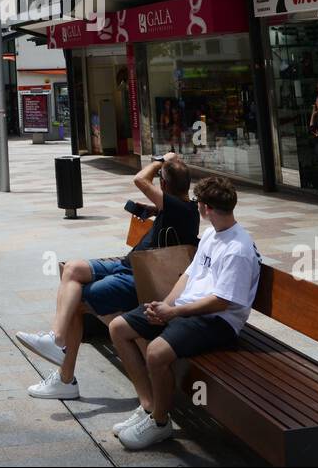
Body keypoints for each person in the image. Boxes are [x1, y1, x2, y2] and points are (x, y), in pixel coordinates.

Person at [16, 154, 199, 402]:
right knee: (72, 269)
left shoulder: (181, 209)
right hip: (127, 265)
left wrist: (159, 161)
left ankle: (65, 378)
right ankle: (56, 339)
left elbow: (139, 180)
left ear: (164, 186)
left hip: (143, 278)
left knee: (78, 301)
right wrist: (153, 210)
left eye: (160, 181)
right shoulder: (177, 207)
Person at [108, 175, 260, 450]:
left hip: (217, 321)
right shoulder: (214, 233)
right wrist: (164, 305)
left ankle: (160, 424)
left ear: (205, 208)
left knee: (156, 352)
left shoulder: (238, 249)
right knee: (118, 328)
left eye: (198, 203)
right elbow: (189, 275)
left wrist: (173, 314)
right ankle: (149, 406)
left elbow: (221, 303)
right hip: (187, 309)